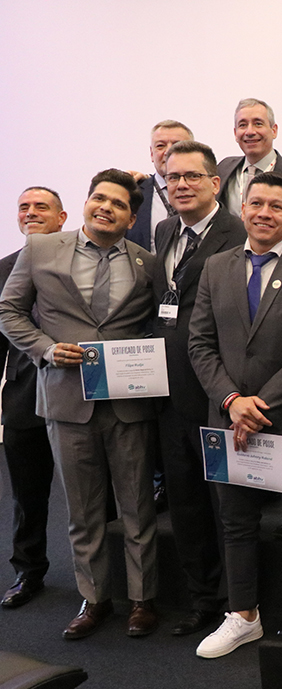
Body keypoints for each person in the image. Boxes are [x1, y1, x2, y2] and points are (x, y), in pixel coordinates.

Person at [0, 169, 161, 639]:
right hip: (67, 401)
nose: (106, 207)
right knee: (82, 510)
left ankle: (142, 600)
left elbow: (155, 325)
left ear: (132, 218)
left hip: (129, 403)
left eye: (118, 204)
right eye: (99, 199)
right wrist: (46, 349)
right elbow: (8, 311)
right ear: (86, 203)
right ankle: (94, 599)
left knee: (136, 509)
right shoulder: (41, 249)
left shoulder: (147, 263)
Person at [189, 171, 282, 658]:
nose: (264, 213)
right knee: (235, 524)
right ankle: (244, 615)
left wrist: (260, 406)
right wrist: (233, 402)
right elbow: (200, 344)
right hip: (229, 420)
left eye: (277, 207)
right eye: (256, 204)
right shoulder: (215, 268)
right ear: (243, 209)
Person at [151, 140, 248, 636]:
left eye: (191, 177)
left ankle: (238, 603)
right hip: (167, 393)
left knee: (224, 504)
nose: (181, 185)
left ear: (215, 183)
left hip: (216, 392)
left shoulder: (237, 232)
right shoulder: (165, 230)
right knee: (185, 502)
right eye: (173, 178)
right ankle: (201, 599)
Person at [0, 187, 67, 609]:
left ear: (62, 219)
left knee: (98, 493)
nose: (30, 213)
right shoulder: (4, 268)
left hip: (80, 394)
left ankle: (105, 578)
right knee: (27, 494)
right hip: (24, 397)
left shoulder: (78, 260)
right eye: (23, 207)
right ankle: (28, 571)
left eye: (41, 207)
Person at [217, 98, 282, 215]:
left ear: (274, 130)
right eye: (243, 125)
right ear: (235, 133)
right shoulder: (223, 168)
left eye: (258, 124)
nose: (250, 132)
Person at [126, 120, 194, 251]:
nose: (168, 152)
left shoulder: (209, 192)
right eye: (160, 146)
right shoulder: (132, 193)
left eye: (177, 145)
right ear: (152, 154)